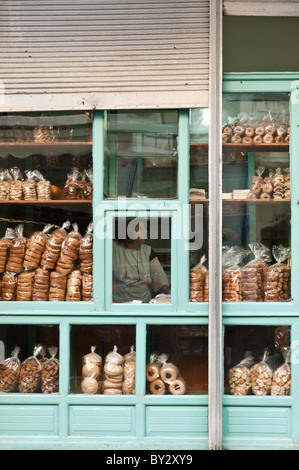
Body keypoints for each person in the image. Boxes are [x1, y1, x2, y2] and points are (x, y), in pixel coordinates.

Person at [113, 218, 170, 303]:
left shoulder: (147, 250)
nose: (145, 231)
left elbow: (159, 274)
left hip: (143, 303)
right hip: (119, 304)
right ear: (129, 230)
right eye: (141, 228)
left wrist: (165, 289)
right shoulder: (114, 248)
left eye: (145, 228)